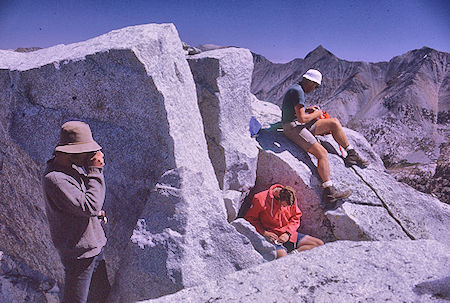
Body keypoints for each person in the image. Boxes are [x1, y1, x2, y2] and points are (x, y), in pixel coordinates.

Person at [42, 121, 110, 303]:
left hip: (92, 247)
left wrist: (96, 216)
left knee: (100, 296)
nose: (91, 156)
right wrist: (95, 170)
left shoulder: (69, 169)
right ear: (71, 151)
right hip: (79, 253)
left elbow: (79, 206)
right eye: (86, 152)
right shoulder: (56, 178)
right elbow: (89, 205)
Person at [281, 69, 368, 206]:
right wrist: (317, 113)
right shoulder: (298, 91)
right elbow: (302, 119)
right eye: (316, 86)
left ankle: (351, 153)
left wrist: (308, 109)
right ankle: (329, 191)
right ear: (311, 82)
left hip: (295, 122)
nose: (315, 89)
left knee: (333, 123)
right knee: (322, 153)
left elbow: (298, 111)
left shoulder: (297, 88)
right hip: (292, 127)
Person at [244, 184, 324, 259]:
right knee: (283, 258)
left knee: (319, 244)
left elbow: (296, 217)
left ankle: (293, 255)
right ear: (278, 198)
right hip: (272, 237)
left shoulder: (290, 196)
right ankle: (289, 258)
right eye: (284, 205)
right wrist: (264, 233)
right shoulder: (260, 198)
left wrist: (287, 233)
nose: (285, 207)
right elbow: (250, 219)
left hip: (288, 234)